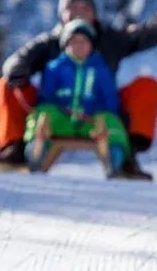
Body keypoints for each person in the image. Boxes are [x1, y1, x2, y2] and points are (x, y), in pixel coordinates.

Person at [0, 0, 157, 179]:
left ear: (95, 12)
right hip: (56, 111)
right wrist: (17, 71)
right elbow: (17, 60)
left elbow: (147, 35)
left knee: (147, 86)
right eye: (72, 7)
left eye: (85, 7)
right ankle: (16, 149)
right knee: (7, 84)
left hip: (101, 111)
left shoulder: (111, 39)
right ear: (62, 12)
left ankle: (126, 156)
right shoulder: (49, 42)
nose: (78, 12)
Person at [24, 19, 128, 177]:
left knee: (113, 123)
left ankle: (113, 157)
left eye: (84, 41)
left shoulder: (101, 70)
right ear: (66, 45)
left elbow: (109, 100)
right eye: (74, 42)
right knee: (41, 115)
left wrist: (95, 113)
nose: (79, 46)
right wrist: (60, 109)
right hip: (62, 119)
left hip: (91, 122)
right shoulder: (55, 68)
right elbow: (45, 97)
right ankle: (36, 150)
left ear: (91, 45)